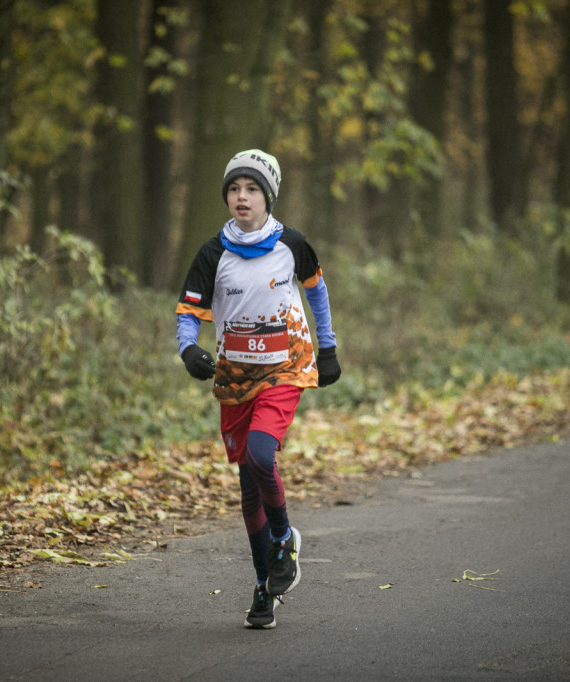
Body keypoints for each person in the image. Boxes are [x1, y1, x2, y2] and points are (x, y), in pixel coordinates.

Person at [175, 149, 341, 629]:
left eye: (251, 189)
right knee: (249, 492)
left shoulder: (292, 244)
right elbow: (188, 311)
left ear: (267, 196)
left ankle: (285, 538)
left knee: (262, 454)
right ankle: (264, 585)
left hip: (285, 368)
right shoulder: (212, 253)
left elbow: (316, 289)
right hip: (234, 378)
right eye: (233, 189)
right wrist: (189, 351)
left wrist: (326, 347)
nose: (241, 197)